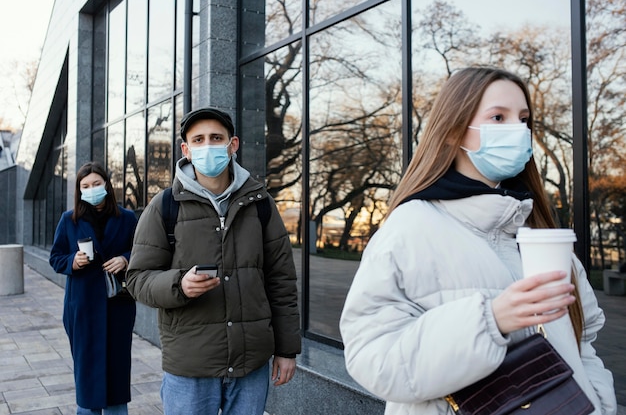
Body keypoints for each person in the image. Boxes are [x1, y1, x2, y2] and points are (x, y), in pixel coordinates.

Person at [339, 67, 616, 415]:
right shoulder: (410, 227)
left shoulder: (536, 230)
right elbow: (373, 358)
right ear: (455, 130)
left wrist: (599, 404)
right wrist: (490, 320)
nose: (517, 130)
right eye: (498, 117)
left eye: (524, 119)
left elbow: (583, 341)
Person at [126, 107, 301, 415]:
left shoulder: (260, 204)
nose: (208, 146)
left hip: (250, 366)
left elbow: (281, 282)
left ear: (232, 145)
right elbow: (137, 279)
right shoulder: (164, 206)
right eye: (199, 139)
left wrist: (287, 349)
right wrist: (178, 284)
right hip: (189, 366)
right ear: (186, 149)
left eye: (216, 138)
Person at [49, 162, 138, 415]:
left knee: (116, 373)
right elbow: (55, 257)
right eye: (85, 186)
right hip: (83, 307)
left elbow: (144, 251)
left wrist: (125, 259)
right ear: (79, 190)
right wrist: (72, 261)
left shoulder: (127, 218)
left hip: (118, 306)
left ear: (107, 185)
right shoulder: (69, 220)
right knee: (87, 376)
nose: (92, 189)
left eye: (96, 184)